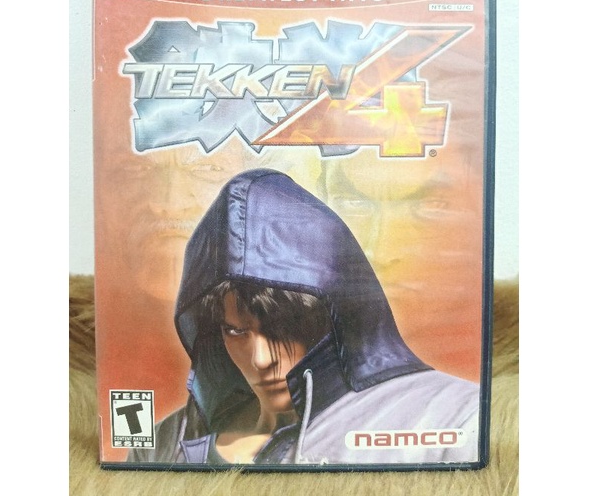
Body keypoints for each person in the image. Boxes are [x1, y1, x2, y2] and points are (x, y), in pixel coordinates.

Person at [129, 168, 481, 466]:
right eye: (235, 331)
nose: (260, 360)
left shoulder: (455, 416)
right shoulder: (165, 440)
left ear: (335, 317)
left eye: (282, 329)